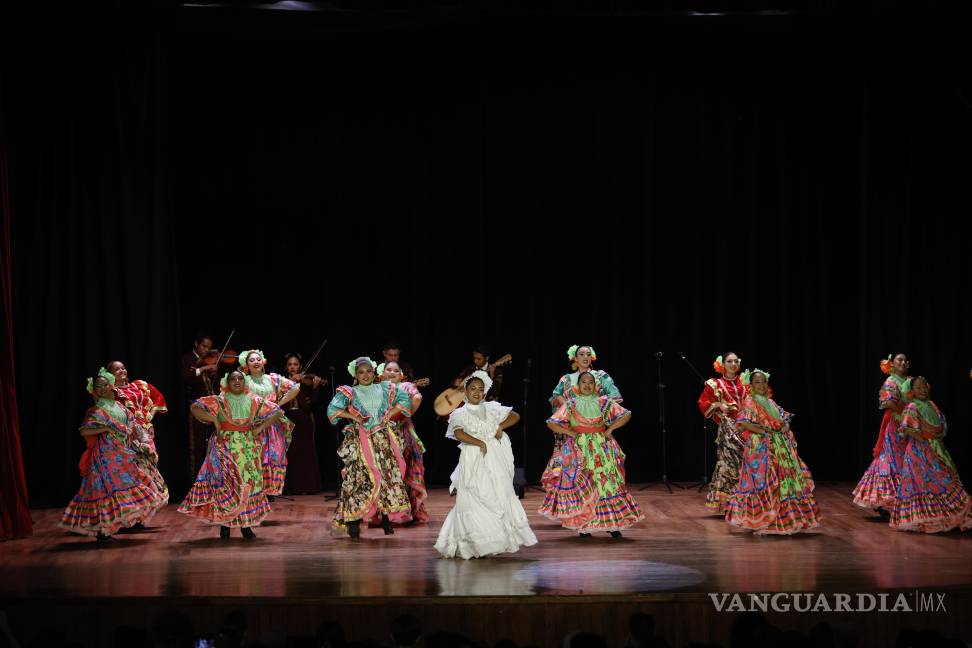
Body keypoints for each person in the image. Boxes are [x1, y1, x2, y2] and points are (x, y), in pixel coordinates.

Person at [434, 370, 537, 558]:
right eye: (473, 388)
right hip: (474, 457)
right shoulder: (459, 413)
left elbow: (515, 416)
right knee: (476, 495)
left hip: (495, 457)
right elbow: (458, 433)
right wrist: (479, 442)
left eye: (480, 389)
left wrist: (500, 426)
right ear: (465, 391)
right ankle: (475, 543)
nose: (477, 392)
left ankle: (495, 541)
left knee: (497, 494)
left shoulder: (491, 408)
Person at [178, 369, 288, 539]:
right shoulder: (219, 400)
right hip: (225, 446)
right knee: (227, 483)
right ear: (227, 383)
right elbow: (195, 408)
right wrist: (214, 420)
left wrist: (259, 428)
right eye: (233, 379)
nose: (237, 381)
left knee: (247, 483)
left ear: (244, 382)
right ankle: (225, 525)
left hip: (247, 448)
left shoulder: (254, 400)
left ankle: (246, 525)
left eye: (240, 379)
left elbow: (277, 412)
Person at [60, 368, 166, 541]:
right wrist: (108, 428)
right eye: (97, 386)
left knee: (126, 485)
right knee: (106, 489)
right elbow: (85, 430)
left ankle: (116, 524)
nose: (101, 388)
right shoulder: (95, 410)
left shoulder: (120, 406)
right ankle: (103, 531)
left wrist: (144, 443)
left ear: (111, 386)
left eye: (104, 385)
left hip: (123, 453)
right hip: (105, 455)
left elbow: (134, 426)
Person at [541, 371, 643, 537]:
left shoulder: (603, 402)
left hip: (601, 448)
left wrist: (610, 429)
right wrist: (570, 432)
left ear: (595, 386)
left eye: (590, 382)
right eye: (584, 382)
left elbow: (626, 415)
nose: (587, 385)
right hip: (578, 449)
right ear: (578, 386)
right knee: (583, 484)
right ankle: (585, 524)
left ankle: (613, 523)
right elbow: (552, 423)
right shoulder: (571, 404)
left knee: (607, 484)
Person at [724, 369, 820, 535]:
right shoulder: (750, 401)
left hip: (779, 445)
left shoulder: (770, 402)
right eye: (757, 382)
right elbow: (744, 423)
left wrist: (785, 426)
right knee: (767, 481)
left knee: (784, 481)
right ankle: (765, 518)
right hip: (762, 447)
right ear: (751, 385)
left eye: (763, 382)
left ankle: (785, 518)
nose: (761, 385)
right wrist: (764, 432)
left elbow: (783, 420)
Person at [327, 357, 413, 538]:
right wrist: (354, 417)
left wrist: (391, 413)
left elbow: (405, 400)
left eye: (368, 371)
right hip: (362, 439)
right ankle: (353, 521)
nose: (365, 375)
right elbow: (332, 410)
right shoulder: (350, 392)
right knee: (360, 478)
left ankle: (385, 517)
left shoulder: (385, 388)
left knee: (386, 476)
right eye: (361, 372)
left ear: (374, 373)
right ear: (356, 375)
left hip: (383, 439)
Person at [890, 376, 972, 533]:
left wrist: (935, 440)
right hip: (919, 451)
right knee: (924, 482)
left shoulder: (932, 405)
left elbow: (941, 426)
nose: (923, 390)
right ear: (912, 391)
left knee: (943, 479)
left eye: (924, 387)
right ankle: (924, 517)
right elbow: (907, 428)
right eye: (918, 388)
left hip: (936, 447)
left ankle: (947, 514)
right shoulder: (912, 406)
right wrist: (925, 441)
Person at [542, 345, 622, 504]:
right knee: (570, 468)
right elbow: (554, 397)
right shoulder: (566, 379)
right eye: (581, 354)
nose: (585, 357)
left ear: (592, 358)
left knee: (596, 466)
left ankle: (596, 503)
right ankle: (572, 505)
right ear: (575, 358)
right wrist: (563, 403)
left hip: (593, 429)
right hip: (571, 429)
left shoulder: (600, 376)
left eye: (588, 354)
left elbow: (615, 397)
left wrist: (596, 405)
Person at [107, 360, 169, 515]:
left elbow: (159, 397)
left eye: (123, 368)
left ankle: (147, 506)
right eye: (117, 369)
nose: (122, 371)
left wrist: (150, 415)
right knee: (136, 469)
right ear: (110, 374)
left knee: (150, 464)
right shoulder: (111, 392)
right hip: (128, 434)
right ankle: (136, 509)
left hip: (146, 431)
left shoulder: (139, 385)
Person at [853, 353, 912, 514]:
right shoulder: (891, 381)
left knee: (907, 458)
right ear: (892, 364)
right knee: (891, 457)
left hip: (911, 424)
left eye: (906, 360)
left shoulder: (911, 381)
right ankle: (885, 499)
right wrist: (907, 412)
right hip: (896, 423)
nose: (903, 362)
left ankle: (904, 498)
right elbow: (888, 402)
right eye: (900, 359)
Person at [239, 349, 300, 496]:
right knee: (254, 459)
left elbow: (295, 387)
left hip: (272, 425)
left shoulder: (272, 379)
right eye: (251, 360)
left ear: (263, 362)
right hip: (253, 426)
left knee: (274, 456)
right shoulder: (244, 380)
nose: (255, 362)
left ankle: (267, 492)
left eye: (258, 359)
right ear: (246, 365)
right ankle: (254, 493)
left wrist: (278, 403)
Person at [379, 361, 430, 522]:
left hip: (402, 433)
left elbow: (417, 398)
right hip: (381, 434)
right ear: (382, 373)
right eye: (389, 369)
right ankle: (385, 511)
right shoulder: (378, 388)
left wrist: (404, 416)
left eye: (396, 371)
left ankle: (403, 511)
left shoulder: (406, 386)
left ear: (401, 375)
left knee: (402, 469)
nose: (392, 373)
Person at [697, 352, 747, 513]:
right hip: (728, 431)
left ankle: (747, 502)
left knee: (748, 464)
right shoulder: (715, 384)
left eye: (736, 361)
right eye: (729, 361)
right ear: (722, 364)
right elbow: (703, 403)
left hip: (748, 429)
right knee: (729, 464)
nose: (733, 364)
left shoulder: (746, 382)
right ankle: (730, 503)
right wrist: (718, 405)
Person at [282, 352, 325, 494]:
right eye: (290, 364)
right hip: (287, 419)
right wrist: (289, 383)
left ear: (300, 367)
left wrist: (315, 387)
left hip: (303, 420)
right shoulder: (281, 382)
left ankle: (307, 486)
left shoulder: (305, 382)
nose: (292, 367)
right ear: (286, 367)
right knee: (289, 452)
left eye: (295, 364)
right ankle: (291, 487)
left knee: (305, 452)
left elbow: (311, 404)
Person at [182, 331, 222, 475]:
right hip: (195, 408)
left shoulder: (210, 360)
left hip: (211, 408)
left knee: (212, 442)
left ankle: (212, 476)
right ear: (196, 344)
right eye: (204, 346)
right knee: (196, 444)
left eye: (209, 347)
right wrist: (204, 368)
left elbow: (215, 386)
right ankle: (196, 477)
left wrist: (213, 373)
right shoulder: (187, 359)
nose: (206, 350)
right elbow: (186, 376)